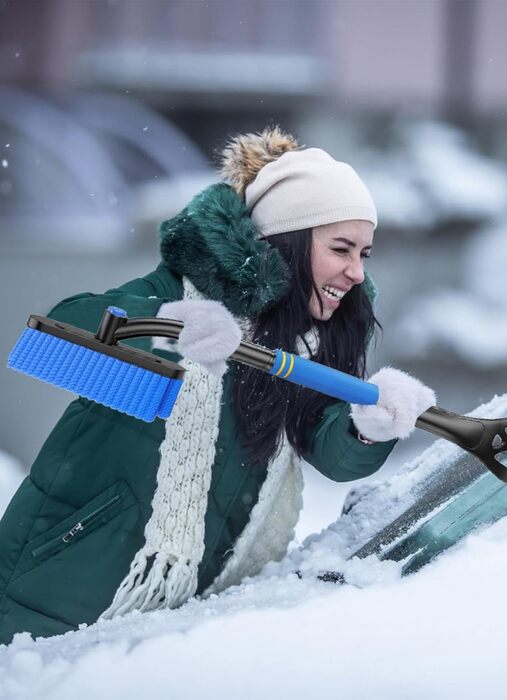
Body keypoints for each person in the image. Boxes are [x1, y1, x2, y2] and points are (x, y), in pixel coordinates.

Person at [0, 126, 436, 644]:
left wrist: (366, 426)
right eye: (342, 248)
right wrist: (166, 326)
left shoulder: (311, 342)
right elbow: (63, 335)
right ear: (288, 242)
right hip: (56, 580)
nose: (357, 272)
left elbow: (327, 444)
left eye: (364, 253)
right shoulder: (180, 287)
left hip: (182, 608)